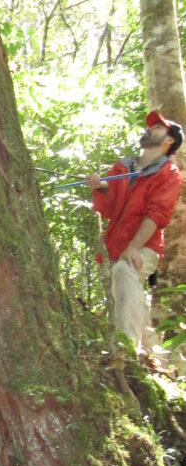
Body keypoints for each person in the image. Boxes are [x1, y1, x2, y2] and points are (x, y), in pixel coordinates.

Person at [85, 110, 183, 349]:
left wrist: (134, 248)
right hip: (115, 246)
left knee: (125, 273)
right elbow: (107, 210)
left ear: (169, 140)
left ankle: (124, 351)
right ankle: (152, 356)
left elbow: (157, 214)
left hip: (143, 246)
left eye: (158, 128)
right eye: (151, 127)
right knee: (127, 296)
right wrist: (101, 188)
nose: (150, 130)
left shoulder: (168, 173)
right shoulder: (122, 167)